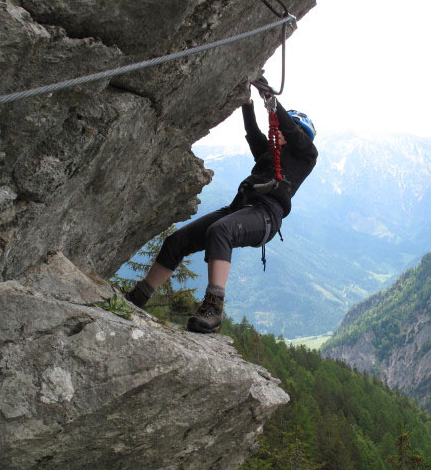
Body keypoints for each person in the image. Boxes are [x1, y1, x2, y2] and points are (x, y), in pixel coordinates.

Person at [125, 78, 318, 333]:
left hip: (265, 215)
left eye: (288, 128)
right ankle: (138, 297)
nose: (281, 131)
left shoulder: (306, 155)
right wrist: (247, 103)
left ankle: (214, 308)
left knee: (220, 231)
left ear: (301, 135)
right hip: (240, 208)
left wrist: (270, 100)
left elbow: (292, 133)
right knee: (176, 242)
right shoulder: (269, 153)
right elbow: (253, 133)